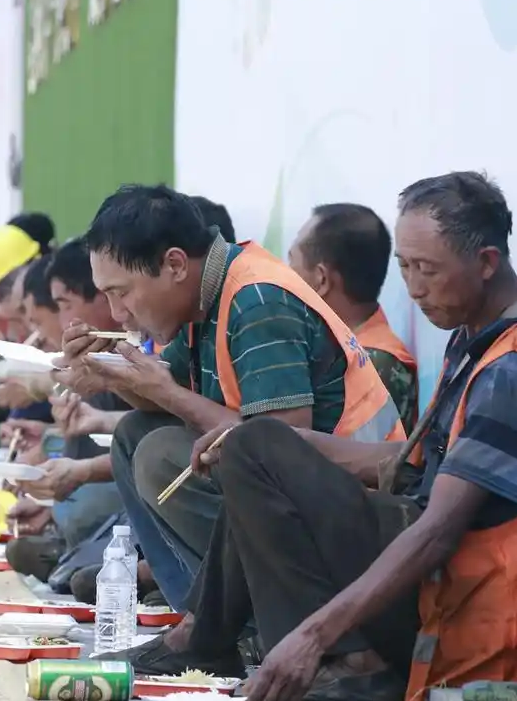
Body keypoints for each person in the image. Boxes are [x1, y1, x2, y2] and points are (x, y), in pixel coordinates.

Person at [107, 171, 517, 701]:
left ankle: (353, 662)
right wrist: (265, 441)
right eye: (405, 268)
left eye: (427, 270)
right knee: (254, 442)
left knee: (255, 446)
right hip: (422, 552)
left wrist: (314, 635)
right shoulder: (483, 336)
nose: (413, 287)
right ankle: (203, 636)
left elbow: (436, 533)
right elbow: (406, 464)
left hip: (452, 599)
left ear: (485, 263)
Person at [54, 184, 403, 613]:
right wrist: (109, 375)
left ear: (175, 264)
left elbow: (283, 446)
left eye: (121, 292)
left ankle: (253, 617)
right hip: (308, 499)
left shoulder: (257, 300)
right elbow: (162, 397)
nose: (117, 313)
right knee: (133, 435)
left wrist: (160, 389)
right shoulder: (202, 298)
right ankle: (199, 610)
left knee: (160, 453)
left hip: (355, 512)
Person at [4, 239, 132, 580]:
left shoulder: (145, 343)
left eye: (64, 305)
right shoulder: (108, 350)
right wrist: (50, 439)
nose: (63, 324)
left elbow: (172, 431)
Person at [288, 203, 418, 433]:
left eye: (291, 263)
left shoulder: (374, 363)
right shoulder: (341, 350)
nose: (284, 277)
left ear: (321, 279)